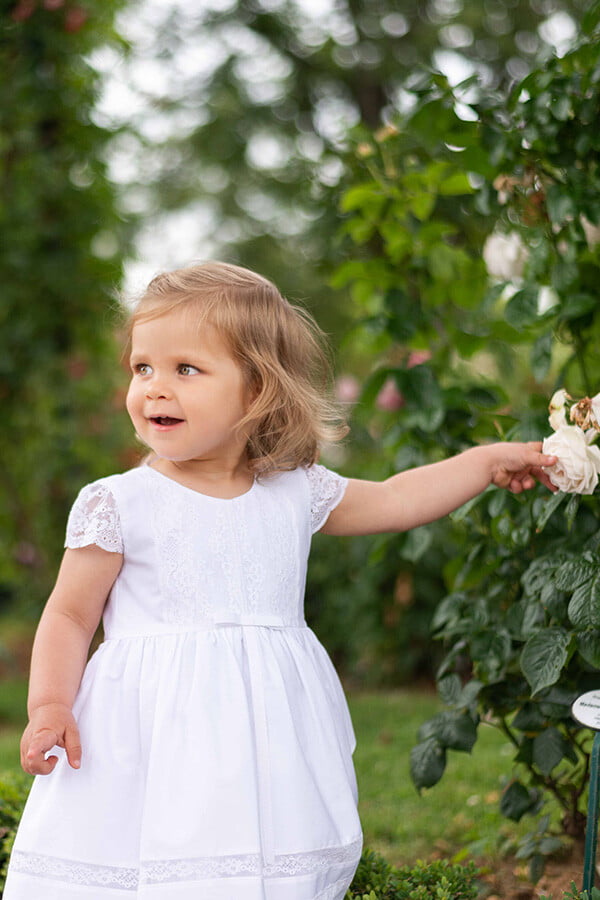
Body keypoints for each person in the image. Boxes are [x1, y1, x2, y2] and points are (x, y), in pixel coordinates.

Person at [4, 262, 557, 900]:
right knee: (154, 860)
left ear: (257, 388)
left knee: (263, 866)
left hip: (268, 735)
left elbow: (399, 497)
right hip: (153, 737)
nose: (154, 388)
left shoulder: (293, 491)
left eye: (186, 369)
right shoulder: (119, 502)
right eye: (142, 367)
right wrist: (49, 704)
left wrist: (484, 461)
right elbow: (70, 616)